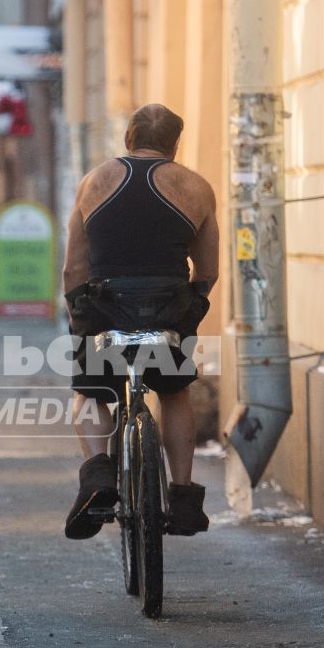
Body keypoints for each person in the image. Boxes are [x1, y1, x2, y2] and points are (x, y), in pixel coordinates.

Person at [62, 102, 219, 540]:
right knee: (173, 392)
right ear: (174, 144)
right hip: (169, 306)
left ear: (128, 140)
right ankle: (183, 496)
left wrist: (77, 315)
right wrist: (191, 311)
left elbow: (74, 268)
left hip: (106, 305)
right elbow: (206, 271)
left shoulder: (94, 182)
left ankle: (97, 475)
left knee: (91, 391)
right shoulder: (197, 187)